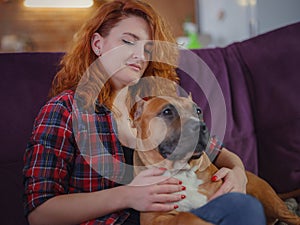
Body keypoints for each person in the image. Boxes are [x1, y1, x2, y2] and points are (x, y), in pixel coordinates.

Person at [23, 0, 266, 225]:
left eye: (147, 48)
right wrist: (127, 196)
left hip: (177, 215)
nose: (140, 55)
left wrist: (238, 172)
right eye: (128, 41)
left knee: (242, 207)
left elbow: (214, 150)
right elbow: (40, 212)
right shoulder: (65, 109)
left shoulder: (154, 105)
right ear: (98, 44)